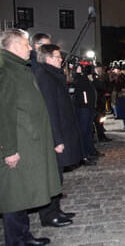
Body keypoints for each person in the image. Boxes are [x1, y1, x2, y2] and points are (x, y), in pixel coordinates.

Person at [0, 29, 61, 246]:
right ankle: (17, 240)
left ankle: (23, 236)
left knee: (22, 193)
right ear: (15, 45)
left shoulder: (17, 68)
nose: (30, 48)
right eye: (27, 44)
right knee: (14, 196)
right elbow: (4, 113)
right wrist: (9, 149)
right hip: (16, 144)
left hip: (26, 141)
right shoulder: (6, 70)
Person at [35, 44, 84, 227]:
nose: (60, 59)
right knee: (53, 175)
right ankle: (48, 214)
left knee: (58, 175)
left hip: (63, 130)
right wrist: (57, 140)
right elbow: (50, 111)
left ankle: (56, 209)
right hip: (56, 135)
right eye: (56, 56)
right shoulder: (45, 77)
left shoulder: (53, 75)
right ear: (47, 58)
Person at [72, 62, 97, 166]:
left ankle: (87, 153)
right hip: (83, 109)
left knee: (87, 131)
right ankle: (83, 156)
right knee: (83, 132)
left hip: (88, 108)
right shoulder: (79, 79)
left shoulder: (85, 79)